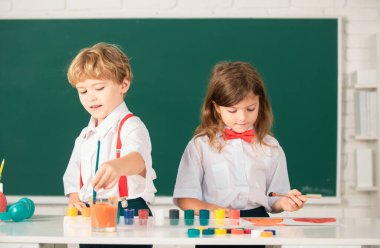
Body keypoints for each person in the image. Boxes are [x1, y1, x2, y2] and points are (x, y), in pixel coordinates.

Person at [173, 61, 307, 248]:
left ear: (261, 103)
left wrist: (285, 203)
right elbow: (184, 198)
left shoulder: (271, 147)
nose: (242, 118)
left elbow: (274, 197)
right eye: (233, 110)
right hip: (216, 223)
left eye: (250, 108)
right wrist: (219, 212)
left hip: (258, 224)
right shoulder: (200, 145)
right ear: (216, 107)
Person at [63, 42, 156, 248]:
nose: (91, 97)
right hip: (91, 216)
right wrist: (74, 198)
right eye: (83, 91)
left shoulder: (131, 125)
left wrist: (117, 166)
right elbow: (72, 177)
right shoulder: (84, 136)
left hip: (128, 213)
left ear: (124, 84)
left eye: (99, 88)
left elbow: (138, 160)